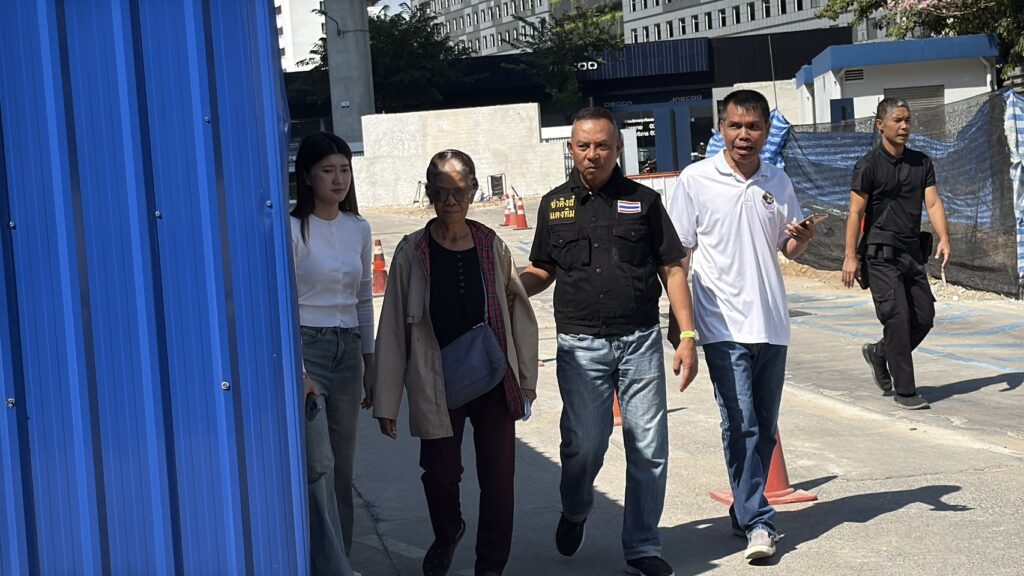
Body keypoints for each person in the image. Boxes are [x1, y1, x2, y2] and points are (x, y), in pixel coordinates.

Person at [520, 107, 697, 576]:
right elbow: (542, 269)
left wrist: (687, 335)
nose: (592, 154)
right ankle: (576, 508)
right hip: (580, 347)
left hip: (639, 342)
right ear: (571, 148)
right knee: (584, 444)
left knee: (648, 447)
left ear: (618, 148)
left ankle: (642, 547)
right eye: (583, 145)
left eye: (602, 145)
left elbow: (672, 268)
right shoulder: (554, 205)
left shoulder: (644, 201)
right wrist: (508, 286)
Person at [372, 150, 539, 576]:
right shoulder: (412, 251)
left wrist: (526, 378)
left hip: (493, 375)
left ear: (473, 192)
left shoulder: (491, 244)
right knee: (439, 474)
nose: (450, 202)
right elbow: (392, 328)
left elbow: (519, 311)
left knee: (499, 480)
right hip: (436, 380)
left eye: (459, 192)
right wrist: (386, 401)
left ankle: (490, 568)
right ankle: (448, 532)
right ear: (429, 193)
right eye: (441, 193)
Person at [666, 90, 815, 562]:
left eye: (753, 127)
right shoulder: (695, 180)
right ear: (721, 129)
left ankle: (743, 508)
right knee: (741, 423)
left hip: (771, 322)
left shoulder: (778, 180)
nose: (743, 135)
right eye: (735, 126)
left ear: (766, 131)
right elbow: (679, 255)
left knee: (764, 427)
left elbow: (787, 248)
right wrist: (683, 325)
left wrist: (802, 239)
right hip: (721, 322)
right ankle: (758, 521)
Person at [290, 132, 375, 574]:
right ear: (307, 176)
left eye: (345, 169)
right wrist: (299, 370)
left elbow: (363, 297)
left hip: (348, 351)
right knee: (318, 465)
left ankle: (342, 559)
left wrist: (371, 362)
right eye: (327, 170)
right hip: (309, 349)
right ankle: (330, 567)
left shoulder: (358, 227)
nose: (338, 179)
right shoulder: (292, 229)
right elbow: (283, 304)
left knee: (342, 468)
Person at [842, 97, 951, 410]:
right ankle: (905, 391)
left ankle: (880, 353)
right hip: (879, 256)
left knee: (924, 318)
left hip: (911, 253)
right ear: (880, 125)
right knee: (898, 317)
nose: (904, 126)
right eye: (898, 120)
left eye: (908, 120)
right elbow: (855, 212)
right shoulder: (868, 166)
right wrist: (850, 256)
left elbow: (933, 203)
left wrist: (944, 237)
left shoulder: (921, 163)